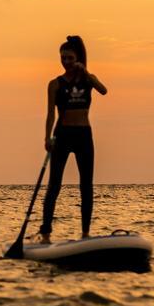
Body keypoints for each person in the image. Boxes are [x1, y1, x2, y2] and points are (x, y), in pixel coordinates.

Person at [36, 35, 108, 243]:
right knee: (54, 185)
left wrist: (86, 73)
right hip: (62, 135)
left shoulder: (88, 79)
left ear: (78, 58)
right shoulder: (55, 84)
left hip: (84, 135)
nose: (65, 62)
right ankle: (46, 234)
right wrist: (47, 137)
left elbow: (104, 91)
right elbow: (50, 113)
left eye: (69, 58)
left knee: (86, 184)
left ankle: (85, 233)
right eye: (63, 58)